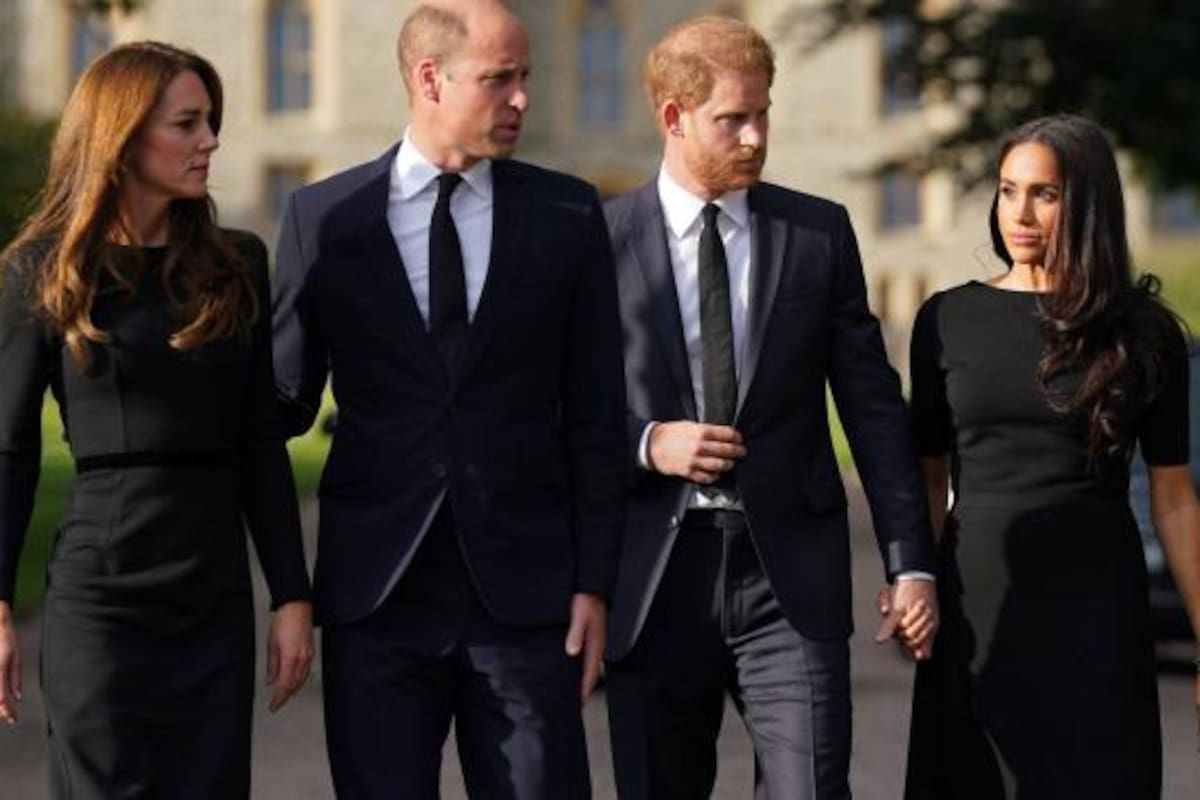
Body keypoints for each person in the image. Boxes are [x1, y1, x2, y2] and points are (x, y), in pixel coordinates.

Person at [270, 2, 625, 798]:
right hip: (377, 596)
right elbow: (280, 406)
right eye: (500, 79)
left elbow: (598, 413)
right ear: (430, 79)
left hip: (528, 602)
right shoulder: (324, 219)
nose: (523, 100)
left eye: (525, 77)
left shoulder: (569, 215)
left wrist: (595, 581)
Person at [602, 16, 940, 800]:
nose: (755, 137)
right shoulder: (599, 240)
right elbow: (554, 408)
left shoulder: (817, 233)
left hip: (787, 579)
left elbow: (873, 407)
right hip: (653, 577)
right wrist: (650, 443)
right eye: (732, 119)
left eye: (763, 114)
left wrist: (910, 560)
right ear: (673, 118)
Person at [0, 41, 314, 798]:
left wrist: (292, 596)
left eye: (211, 121)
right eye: (188, 123)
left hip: (210, 595)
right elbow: (6, 448)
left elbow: (258, 444)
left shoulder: (236, 264)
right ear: (124, 134)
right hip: (99, 599)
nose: (210, 140)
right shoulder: (40, 270)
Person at [903, 113, 1200, 799]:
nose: (1021, 213)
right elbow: (927, 476)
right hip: (978, 604)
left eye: (1045, 193)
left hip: (1098, 609)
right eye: (1009, 191)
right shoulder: (946, 320)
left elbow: (1175, 497)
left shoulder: (1143, 332)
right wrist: (912, 578)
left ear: (1089, 202)